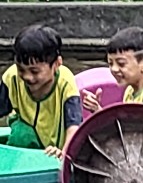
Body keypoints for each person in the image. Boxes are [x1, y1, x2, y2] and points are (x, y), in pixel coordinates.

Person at [0, 24, 82, 158]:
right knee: (22, 133)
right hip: (25, 143)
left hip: (55, 150)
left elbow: (74, 125)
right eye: (21, 69)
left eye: (34, 71)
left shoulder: (65, 83)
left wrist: (65, 153)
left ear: (56, 64)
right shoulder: (12, 77)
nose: (27, 77)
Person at [82, 27, 143, 116]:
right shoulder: (129, 91)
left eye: (121, 64)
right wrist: (97, 111)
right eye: (110, 63)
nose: (114, 69)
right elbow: (127, 126)